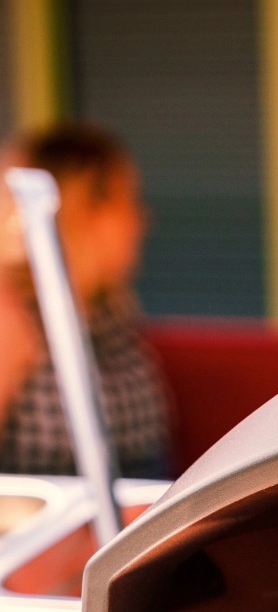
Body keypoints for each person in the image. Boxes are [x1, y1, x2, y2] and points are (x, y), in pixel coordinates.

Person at [0, 122, 171, 478]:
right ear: (84, 212)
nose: (142, 219)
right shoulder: (14, 318)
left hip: (143, 517)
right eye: (128, 200)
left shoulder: (112, 311)